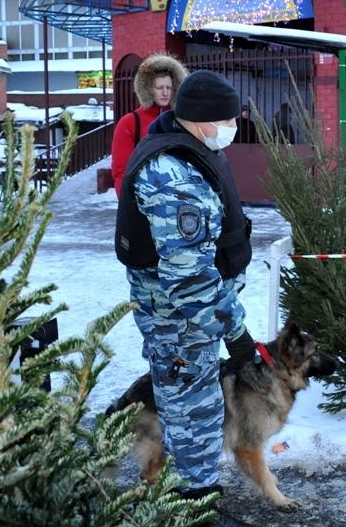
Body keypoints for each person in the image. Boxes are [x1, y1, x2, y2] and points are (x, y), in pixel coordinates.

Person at [114, 70, 255, 501]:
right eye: (229, 120)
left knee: (193, 406)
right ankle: (193, 502)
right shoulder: (174, 178)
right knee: (194, 414)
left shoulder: (189, 152)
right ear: (203, 120)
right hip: (180, 323)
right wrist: (238, 333)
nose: (233, 127)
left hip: (191, 323)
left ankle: (190, 493)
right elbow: (188, 279)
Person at [110, 53, 187, 197]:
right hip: (144, 200)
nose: (165, 93)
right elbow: (121, 171)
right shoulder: (130, 122)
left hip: (178, 201)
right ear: (149, 89)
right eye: (160, 88)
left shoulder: (181, 121)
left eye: (169, 88)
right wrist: (130, 204)